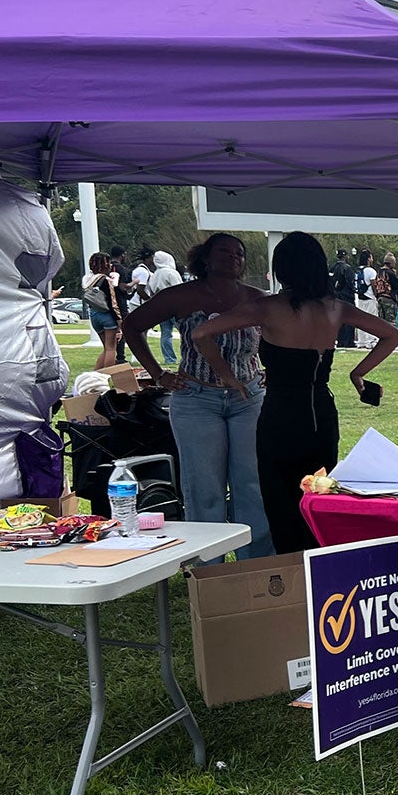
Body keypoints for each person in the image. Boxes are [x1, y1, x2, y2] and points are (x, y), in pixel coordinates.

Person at [192, 232, 398, 553]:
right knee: (318, 503)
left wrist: (228, 377)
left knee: (281, 507)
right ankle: (320, 577)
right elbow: (392, 334)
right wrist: (358, 374)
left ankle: (292, 582)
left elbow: (202, 332)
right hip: (321, 414)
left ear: (282, 270)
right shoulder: (336, 308)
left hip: (280, 416)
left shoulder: (266, 307)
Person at [122, 234, 273, 559]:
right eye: (224, 251)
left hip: (249, 398)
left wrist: (269, 368)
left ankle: (257, 566)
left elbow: (279, 335)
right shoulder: (182, 295)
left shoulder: (257, 298)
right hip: (196, 398)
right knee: (204, 488)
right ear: (205, 258)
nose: (233, 257)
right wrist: (159, 373)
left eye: (239, 253)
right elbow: (132, 326)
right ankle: (210, 570)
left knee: (253, 484)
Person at [81, 252, 123, 370]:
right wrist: (119, 320)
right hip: (106, 315)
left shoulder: (87, 280)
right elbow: (112, 303)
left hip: (94, 314)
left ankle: (96, 375)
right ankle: (106, 376)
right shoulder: (105, 280)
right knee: (111, 348)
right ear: (105, 264)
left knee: (105, 348)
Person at [146, 250, 184, 365]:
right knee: (184, 332)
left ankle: (169, 359)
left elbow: (150, 290)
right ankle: (185, 356)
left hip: (161, 307)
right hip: (174, 306)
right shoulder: (171, 273)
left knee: (166, 333)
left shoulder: (155, 274)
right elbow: (180, 289)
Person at [329, 248, 357, 349]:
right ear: (345, 256)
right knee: (349, 319)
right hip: (346, 297)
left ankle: (340, 340)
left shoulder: (332, 268)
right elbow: (350, 283)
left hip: (336, 297)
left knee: (339, 319)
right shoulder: (347, 268)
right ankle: (349, 341)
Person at [373, 252, 398, 329]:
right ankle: (393, 339)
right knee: (391, 322)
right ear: (391, 263)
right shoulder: (390, 273)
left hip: (380, 299)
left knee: (382, 322)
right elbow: (397, 285)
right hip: (389, 300)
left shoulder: (379, 272)